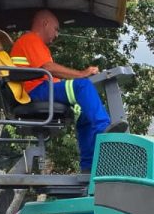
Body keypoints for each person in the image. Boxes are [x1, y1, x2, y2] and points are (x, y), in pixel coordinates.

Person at [10, 9, 128, 172]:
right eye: (56, 29)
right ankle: (103, 130)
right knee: (83, 86)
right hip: (36, 91)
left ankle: (88, 166)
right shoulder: (30, 39)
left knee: (83, 111)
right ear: (45, 23)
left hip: (42, 89)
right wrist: (81, 74)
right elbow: (49, 68)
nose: (57, 35)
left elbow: (51, 75)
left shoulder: (39, 47)